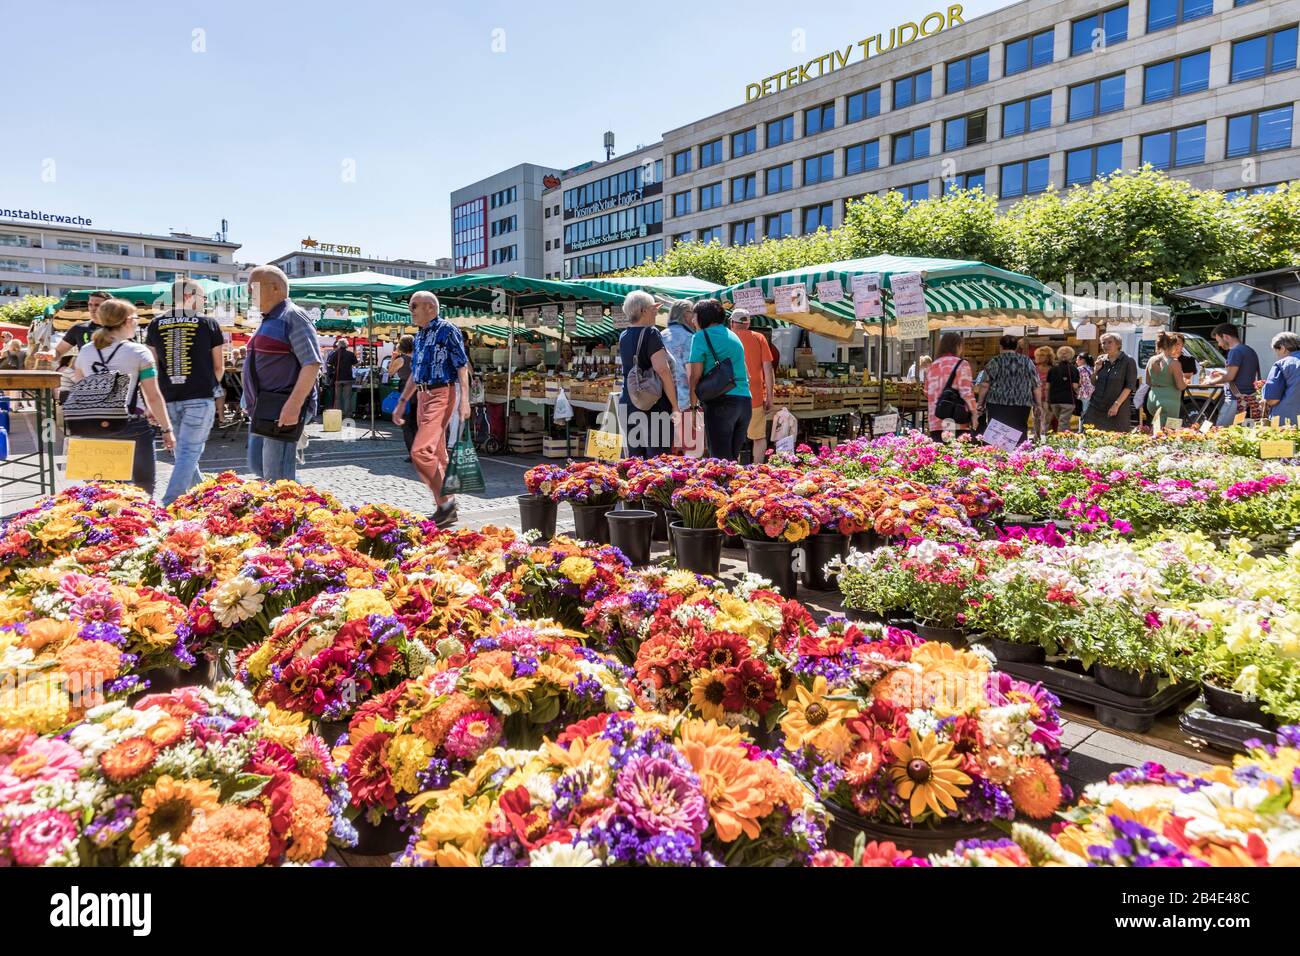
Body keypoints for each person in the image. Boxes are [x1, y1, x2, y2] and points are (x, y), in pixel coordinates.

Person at [70, 299, 175, 495]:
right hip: (131, 425)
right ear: (127, 321)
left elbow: (79, 388)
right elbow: (153, 395)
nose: (137, 322)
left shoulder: (85, 352)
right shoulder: (138, 352)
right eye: (135, 318)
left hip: (93, 426)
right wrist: (166, 429)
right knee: (142, 489)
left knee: (103, 492)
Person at [391, 291, 470, 528]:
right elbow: (415, 373)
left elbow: (462, 365)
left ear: (430, 307)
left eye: (413, 306)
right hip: (423, 394)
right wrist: (403, 402)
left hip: (442, 392)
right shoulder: (420, 336)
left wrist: (465, 399)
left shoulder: (447, 329)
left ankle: (447, 504)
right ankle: (444, 507)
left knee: (420, 451)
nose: (410, 310)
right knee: (438, 454)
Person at [144, 278, 225, 504]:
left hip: (167, 397)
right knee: (188, 452)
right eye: (203, 297)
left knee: (182, 452)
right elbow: (219, 366)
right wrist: (210, 388)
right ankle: (169, 502)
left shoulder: (155, 324)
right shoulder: (208, 323)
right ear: (189, 297)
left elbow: (151, 366)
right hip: (199, 396)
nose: (205, 302)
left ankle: (204, 497)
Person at [242, 265, 323, 482]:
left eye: (253, 288)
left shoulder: (293, 316)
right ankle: (302, 505)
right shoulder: (270, 319)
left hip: (281, 406)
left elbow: (312, 363)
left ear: (275, 288)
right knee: (260, 466)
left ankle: (307, 510)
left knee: (277, 476)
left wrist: (294, 405)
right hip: (266, 407)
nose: (249, 293)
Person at [617, 290, 678, 459]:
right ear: (643, 311)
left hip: (630, 401)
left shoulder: (624, 335)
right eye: (653, 308)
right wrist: (675, 405)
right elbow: (662, 370)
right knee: (658, 460)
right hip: (655, 405)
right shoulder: (651, 333)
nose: (656, 311)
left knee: (635, 459)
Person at [687, 299, 751, 461]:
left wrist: (693, 408)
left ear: (703, 317)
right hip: (744, 402)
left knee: (719, 464)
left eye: (694, 317)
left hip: (721, 404)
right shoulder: (733, 336)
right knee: (731, 460)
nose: (692, 321)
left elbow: (694, 376)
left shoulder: (701, 337)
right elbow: (746, 372)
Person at [729, 309, 778, 462]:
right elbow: (768, 369)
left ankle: (732, 467)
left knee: (732, 436)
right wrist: (770, 396)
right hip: (754, 396)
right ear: (748, 323)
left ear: (732, 322)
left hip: (729, 395)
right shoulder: (759, 338)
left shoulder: (727, 337)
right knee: (758, 437)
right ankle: (757, 469)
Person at [975, 335, 1041, 439]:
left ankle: (998, 453)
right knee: (1019, 431)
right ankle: (1019, 453)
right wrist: (1038, 404)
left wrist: (980, 404)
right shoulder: (1027, 362)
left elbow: (984, 385)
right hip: (1022, 403)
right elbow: (1035, 385)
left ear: (1000, 346)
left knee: (997, 434)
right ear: (1015, 347)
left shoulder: (994, 362)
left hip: (997, 403)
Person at [925, 332, 977, 442]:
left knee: (939, 456)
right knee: (957, 456)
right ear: (958, 346)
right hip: (956, 420)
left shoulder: (931, 366)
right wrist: (974, 414)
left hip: (936, 419)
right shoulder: (962, 364)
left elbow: (926, 392)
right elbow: (966, 393)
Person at [1206, 323, 1261, 425]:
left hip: (1236, 400)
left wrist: (1210, 381)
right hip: (1251, 400)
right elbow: (1244, 372)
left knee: (1221, 430)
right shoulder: (1249, 350)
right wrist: (1223, 373)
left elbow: (1230, 376)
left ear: (1226, 336)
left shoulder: (1235, 351)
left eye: (1219, 340)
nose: (1219, 345)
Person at [1083, 332, 1138, 432]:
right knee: (1089, 436)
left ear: (1118, 344)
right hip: (1096, 406)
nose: (1106, 345)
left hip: (1116, 407)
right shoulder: (1101, 359)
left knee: (1115, 438)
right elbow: (1094, 382)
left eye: (1109, 342)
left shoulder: (1128, 361)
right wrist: (1096, 370)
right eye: (1103, 343)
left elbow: (1129, 386)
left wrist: (1116, 405)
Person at [661, 299, 697, 450]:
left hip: (662, 398)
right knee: (690, 449)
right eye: (692, 313)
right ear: (685, 315)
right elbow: (692, 372)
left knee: (667, 448)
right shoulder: (691, 338)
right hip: (685, 399)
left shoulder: (661, 335)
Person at [1144, 332, 1187, 427]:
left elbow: (1148, 381)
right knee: (1170, 433)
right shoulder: (1174, 363)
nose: (1180, 348)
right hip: (1169, 402)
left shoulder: (1151, 359)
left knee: (1156, 431)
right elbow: (1180, 386)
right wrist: (1186, 381)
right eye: (1178, 345)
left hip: (1152, 400)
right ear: (1173, 345)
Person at [55, 290, 110, 360]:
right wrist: (50, 354)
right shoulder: (79, 328)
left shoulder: (119, 328)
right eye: (90, 304)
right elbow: (58, 351)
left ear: (109, 307)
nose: (92, 309)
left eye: (97, 305)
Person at [387, 334, 417, 458]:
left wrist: (393, 358)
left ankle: (412, 454)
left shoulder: (401, 360)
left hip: (405, 390)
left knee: (407, 425)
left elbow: (390, 373)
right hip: (420, 391)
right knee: (417, 423)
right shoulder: (418, 357)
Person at [1262, 332, 1300, 425]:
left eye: (1276, 351)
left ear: (1282, 348)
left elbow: (1272, 400)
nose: (1277, 356)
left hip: (1287, 422)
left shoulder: (1282, 364)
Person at [1046, 345, 1079, 433]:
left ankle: (1069, 438)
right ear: (1071, 355)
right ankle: (1061, 440)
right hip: (1067, 400)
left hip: (1054, 400)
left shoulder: (1052, 369)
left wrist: (1047, 399)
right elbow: (1075, 386)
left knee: (1063, 421)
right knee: (1063, 422)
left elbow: (1047, 386)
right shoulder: (1073, 369)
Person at [326, 338, 358, 417]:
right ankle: (347, 414)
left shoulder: (335, 353)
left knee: (338, 398)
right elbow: (356, 364)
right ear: (346, 345)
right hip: (348, 378)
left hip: (338, 378)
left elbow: (329, 363)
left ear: (338, 345)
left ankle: (338, 414)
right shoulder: (350, 354)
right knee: (347, 397)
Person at [1032, 346, 1055, 440]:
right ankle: (1036, 437)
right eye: (1037, 355)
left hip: (1048, 397)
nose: (1038, 357)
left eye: (1042, 355)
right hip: (1036, 397)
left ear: (1048, 357)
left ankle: (1045, 438)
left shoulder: (1053, 369)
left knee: (1047, 419)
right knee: (1036, 418)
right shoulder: (1034, 368)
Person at [1075, 352, 1095, 427]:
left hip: (1084, 393)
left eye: (1077, 360)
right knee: (1089, 411)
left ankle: (1082, 429)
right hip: (1093, 392)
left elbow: (1079, 382)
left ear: (1082, 360)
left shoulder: (1079, 369)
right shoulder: (1092, 368)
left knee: (1083, 412)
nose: (1076, 362)